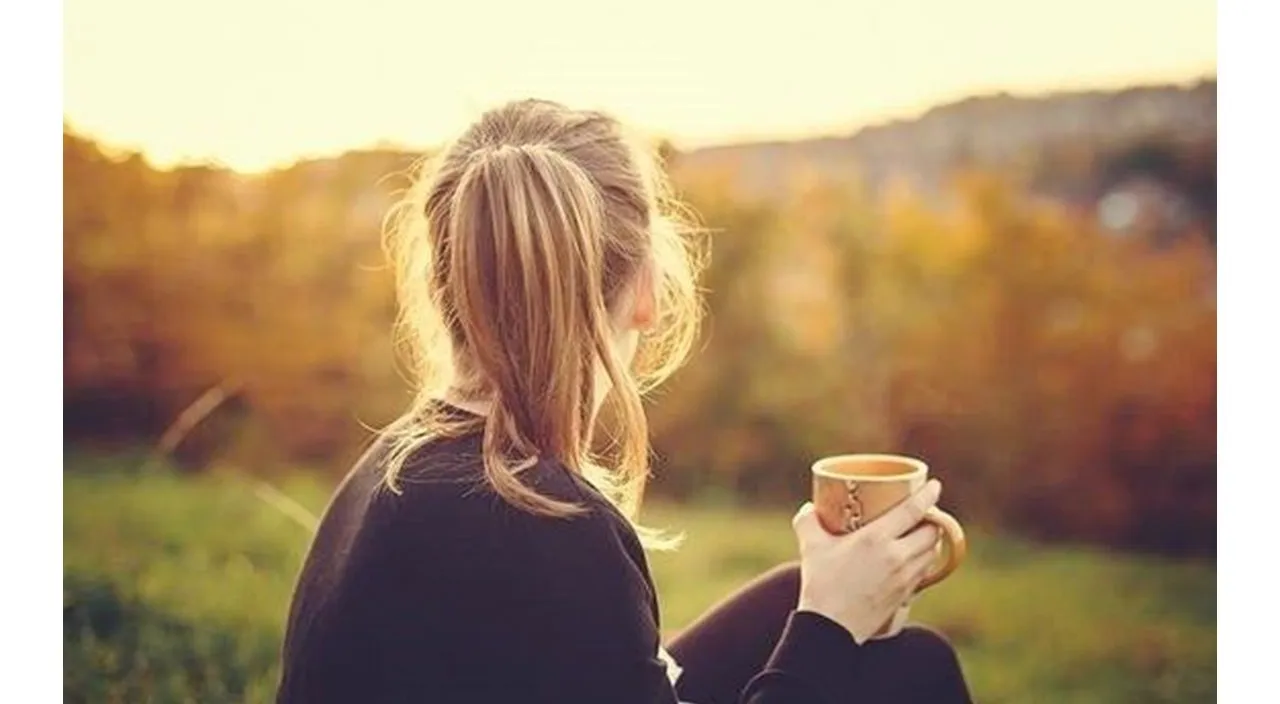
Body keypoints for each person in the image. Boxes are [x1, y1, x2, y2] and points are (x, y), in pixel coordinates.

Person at [276, 99, 974, 704]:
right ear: (645, 291)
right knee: (908, 668)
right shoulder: (547, 524)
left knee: (821, 609)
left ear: (443, 283)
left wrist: (822, 603)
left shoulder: (395, 463)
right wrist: (829, 628)